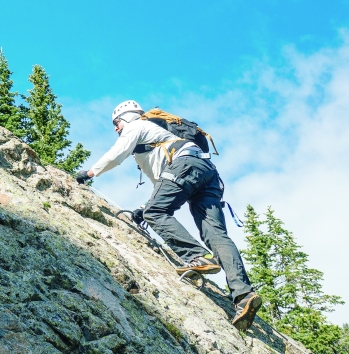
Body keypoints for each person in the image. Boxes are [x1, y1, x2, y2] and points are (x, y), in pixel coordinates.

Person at [76, 100, 262, 332]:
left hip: (184, 166)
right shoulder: (157, 139)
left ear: (127, 117)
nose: (115, 128)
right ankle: (244, 296)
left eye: (116, 123)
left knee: (157, 212)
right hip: (206, 170)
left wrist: (90, 173)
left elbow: (116, 155)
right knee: (216, 234)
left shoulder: (137, 126)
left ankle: (197, 256)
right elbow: (162, 185)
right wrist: (145, 208)